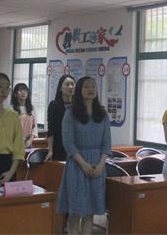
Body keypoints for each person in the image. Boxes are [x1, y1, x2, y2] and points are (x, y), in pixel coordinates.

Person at [57, 76, 111, 235]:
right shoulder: (70, 113)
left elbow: (107, 142)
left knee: (89, 213)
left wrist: (101, 165)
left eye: (93, 86)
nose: (90, 89)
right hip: (77, 165)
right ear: (79, 90)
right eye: (86, 87)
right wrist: (84, 164)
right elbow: (68, 143)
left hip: (97, 166)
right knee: (74, 213)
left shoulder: (102, 114)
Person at [46, 74, 75, 161]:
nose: (70, 87)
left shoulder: (78, 106)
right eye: (67, 84)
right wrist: (50, 150)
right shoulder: (54, 105)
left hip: (76, 148)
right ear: (60, 88)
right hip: (59, 147)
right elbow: (51, 129)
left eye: (72, 84)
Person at [10, 83, 38, 148]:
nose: (23, 92)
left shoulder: (32, 108)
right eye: (20, 90)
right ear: (15, 94)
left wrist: (30, 140)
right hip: (14, 143)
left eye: (25, 90)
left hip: (28, 143)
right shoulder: (11, 109)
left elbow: (35, 127)